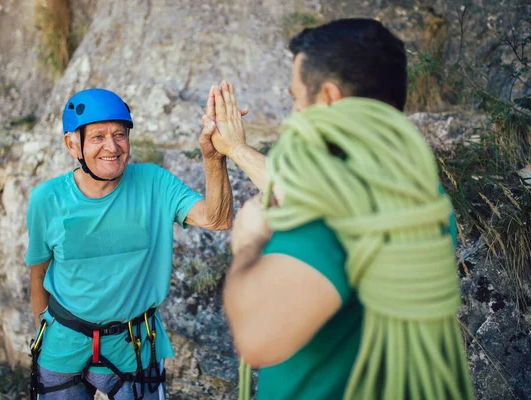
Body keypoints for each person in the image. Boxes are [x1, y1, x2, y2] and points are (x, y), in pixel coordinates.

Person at [203, 19, 474, 399]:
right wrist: (237, 151)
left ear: (328, 98)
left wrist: (248, 243)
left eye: (296, 99)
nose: (292, 114)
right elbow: (314, 191)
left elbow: (256, 338)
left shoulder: (327, 219)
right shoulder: (417, 193)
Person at [26, 88, 236, 400]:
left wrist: (214, 157)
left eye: (119, 134)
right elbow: (38, 275)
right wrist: (46, 329)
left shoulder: (154, 183)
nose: (111, 146)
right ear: (73, 144)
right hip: (64, 342)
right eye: (97, 136)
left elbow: (218, 219)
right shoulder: (47, 199)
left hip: (133, 346)